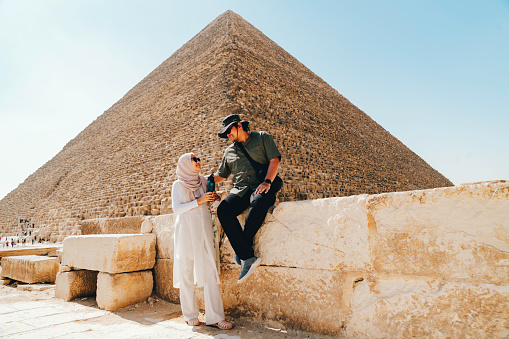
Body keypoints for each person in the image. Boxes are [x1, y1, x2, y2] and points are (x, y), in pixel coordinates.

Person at [211, 114, 282, 283]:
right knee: (223, 210)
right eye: (225, 133)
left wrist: (267, 181)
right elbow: (221, 175)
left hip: (261, 185)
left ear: (239, 126)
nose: (228, 135)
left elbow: (274, 160)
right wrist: (198, 178)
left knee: (259, 201)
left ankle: (244, 253)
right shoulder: (229, 152)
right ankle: (247, 256)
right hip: (240, 190)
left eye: (229, 131)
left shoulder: (262, 137)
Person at [171, 153, 232, 330]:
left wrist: (215, 200)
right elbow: (176, 209)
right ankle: (190, 314)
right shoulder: (178, 184)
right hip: (186, 231)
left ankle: (215, 317)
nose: (198, 162)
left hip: (204, 230)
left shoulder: (204, 181)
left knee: (211, 271)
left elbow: (209, 205)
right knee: (186, 272)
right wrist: (198, 201)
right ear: (185, 164)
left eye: (199, 159)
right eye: (194, 160)